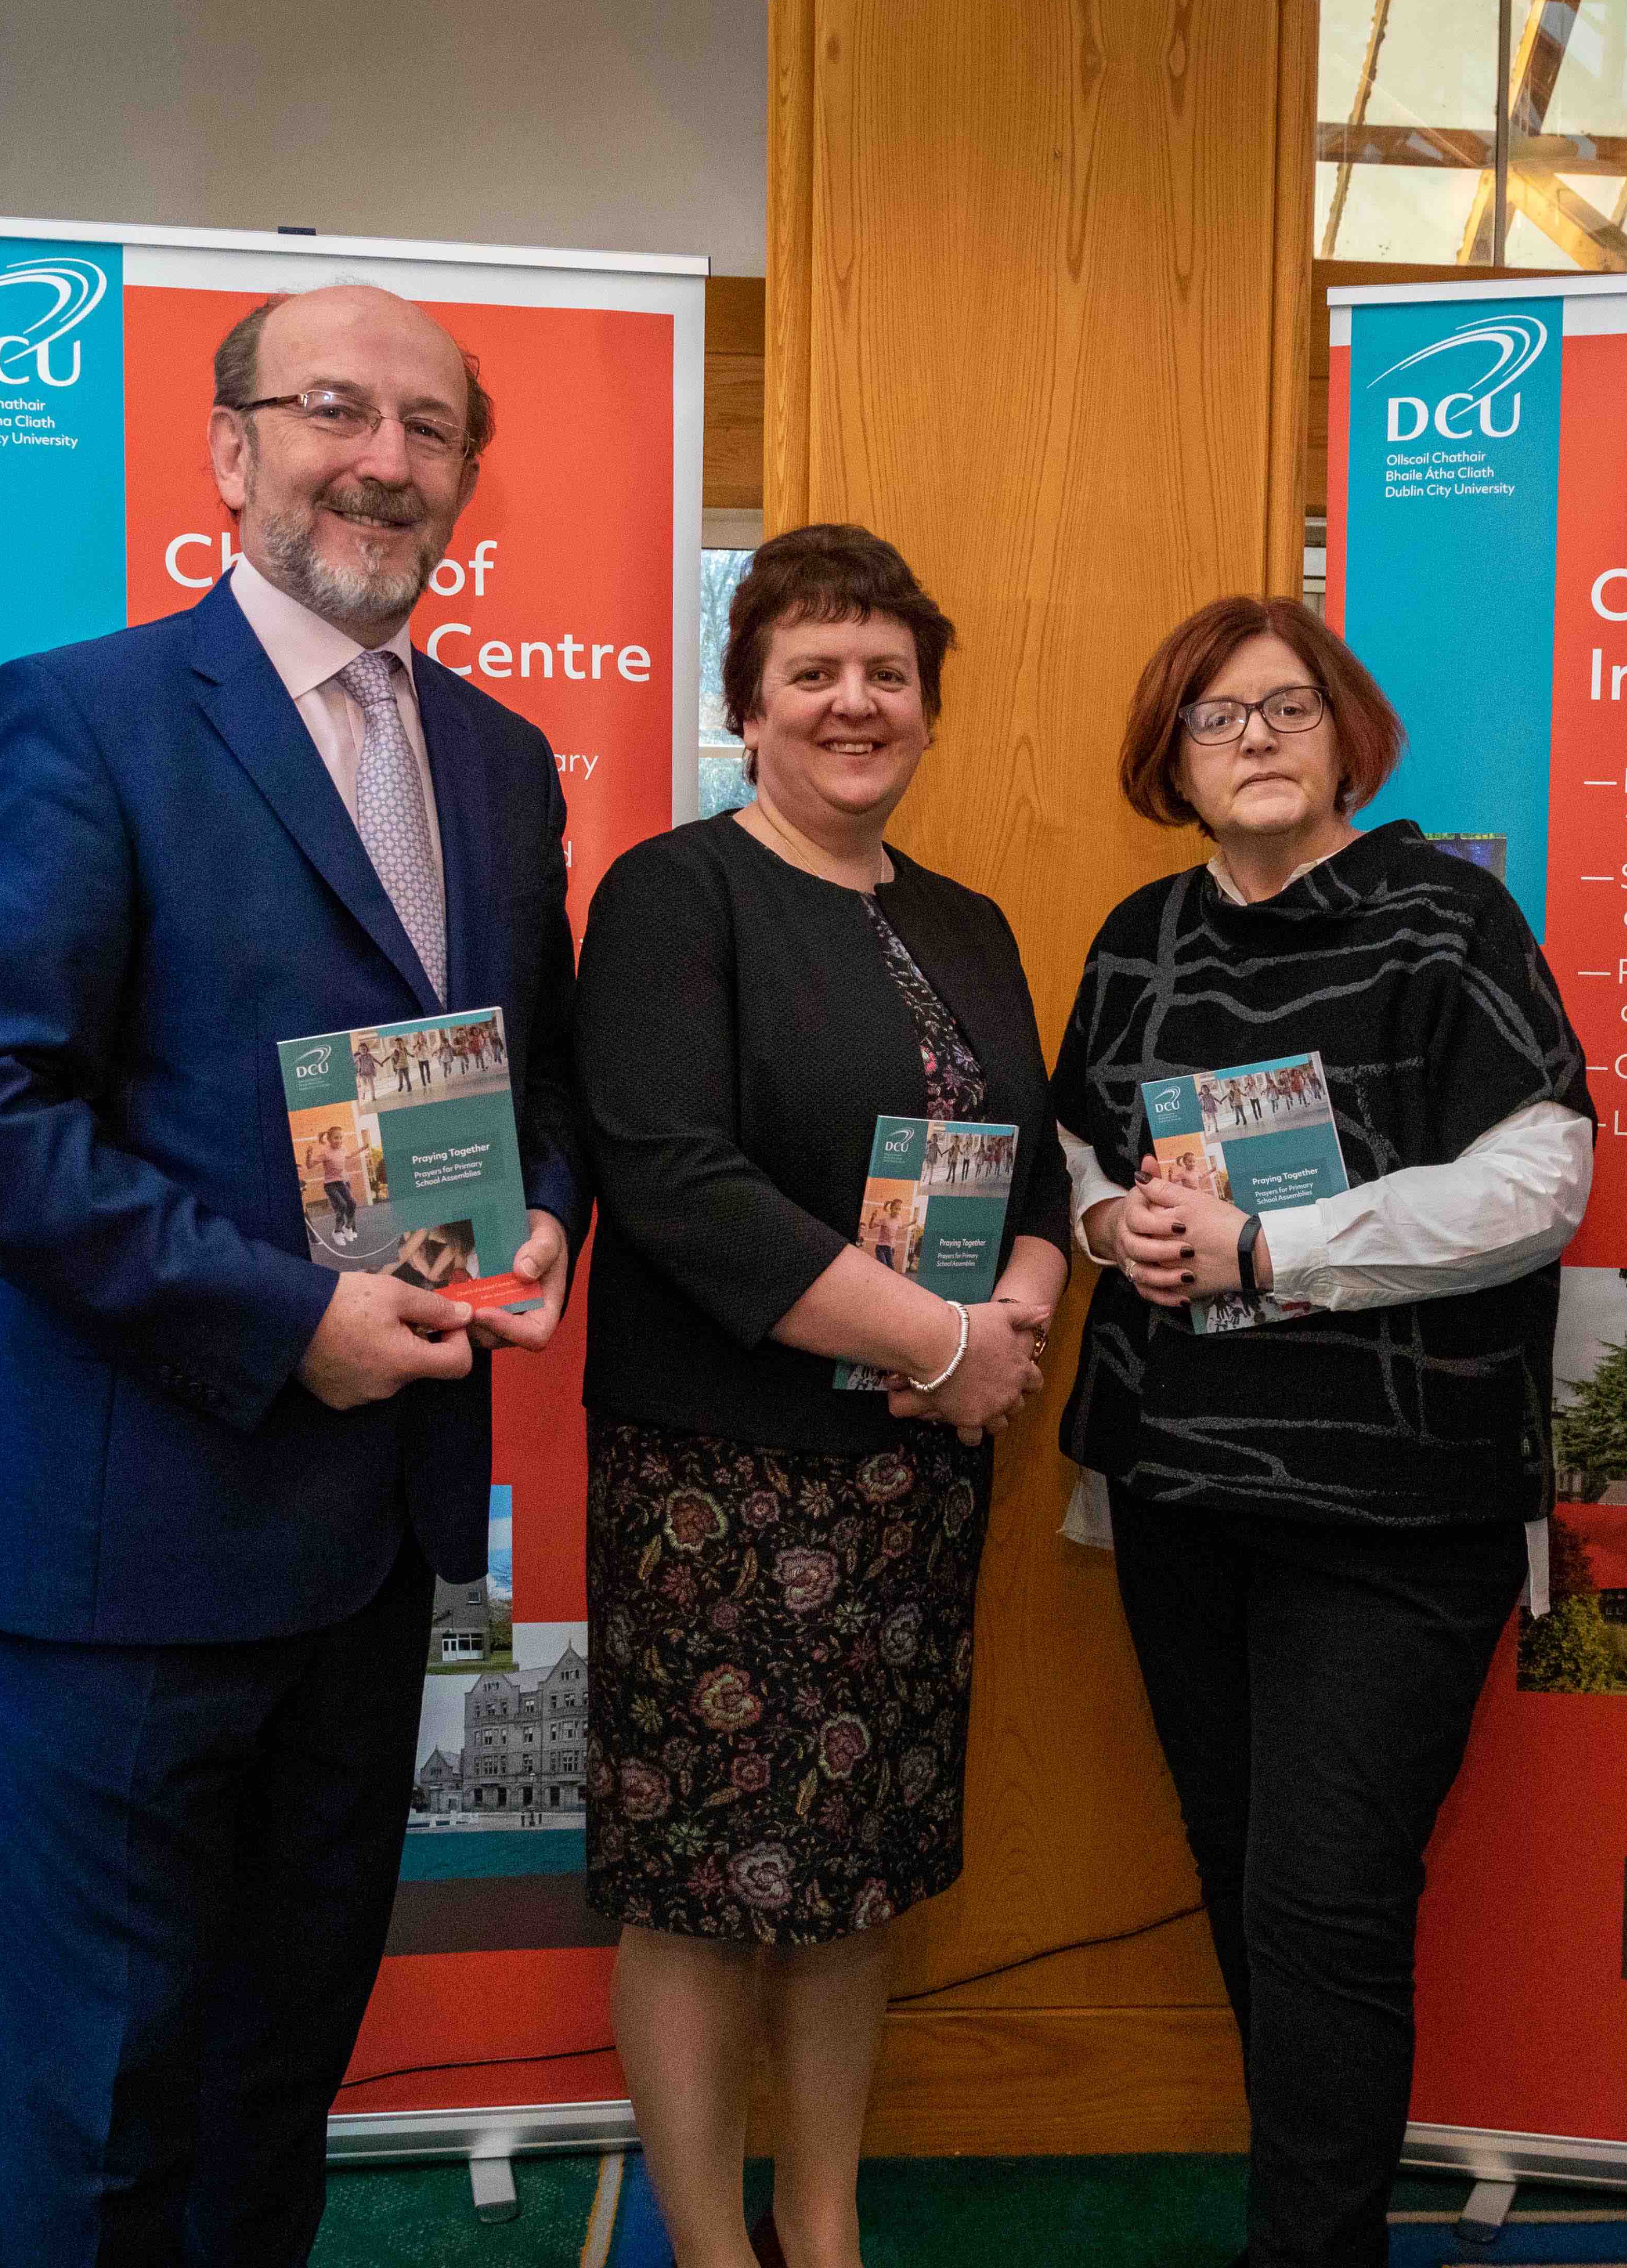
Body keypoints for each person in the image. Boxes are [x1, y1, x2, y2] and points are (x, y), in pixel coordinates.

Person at [0, 283, 588, 2268]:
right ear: (228, 450)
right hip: (130, 1538)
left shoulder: (503, 760)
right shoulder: (79, 714)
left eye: (428, 428)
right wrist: (288, 1320)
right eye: (331, 409)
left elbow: (537, 1078)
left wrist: (540, 1215)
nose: (381, 456)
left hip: (374, 1541)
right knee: (109, 2102)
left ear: (464, 476)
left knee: (281, 2071)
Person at [1048, 596, 1595, 2268]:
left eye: (1285, 706)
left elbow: (1542, 1177)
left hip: (1395, 1509)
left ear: (1346, 730)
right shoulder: (1139, 935)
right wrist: (1106, 1231)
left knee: (1328, 1905)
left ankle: (1314, 2245)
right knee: (1240, 1876)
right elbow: (1075, 1146)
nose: (1256, 739)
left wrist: (1281, 1250)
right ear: (1173, 759)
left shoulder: (1447, 918)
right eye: (1215, 718)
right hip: (1178, 1490)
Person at [574, 523, 1070, 2268]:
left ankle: (827, 2223)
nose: (853, 704)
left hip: (914, 1475)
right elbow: (671, 1179)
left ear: (926, 705)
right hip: (723, 1480)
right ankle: (713, 2246)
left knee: (857, 1872)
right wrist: (943, 1348)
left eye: (886, 674)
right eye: (813, 673)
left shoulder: (966, 920)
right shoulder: (673, 892)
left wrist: (1006, 1313)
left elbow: (1033, 1180)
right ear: (749, 708)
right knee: (705, 1888)